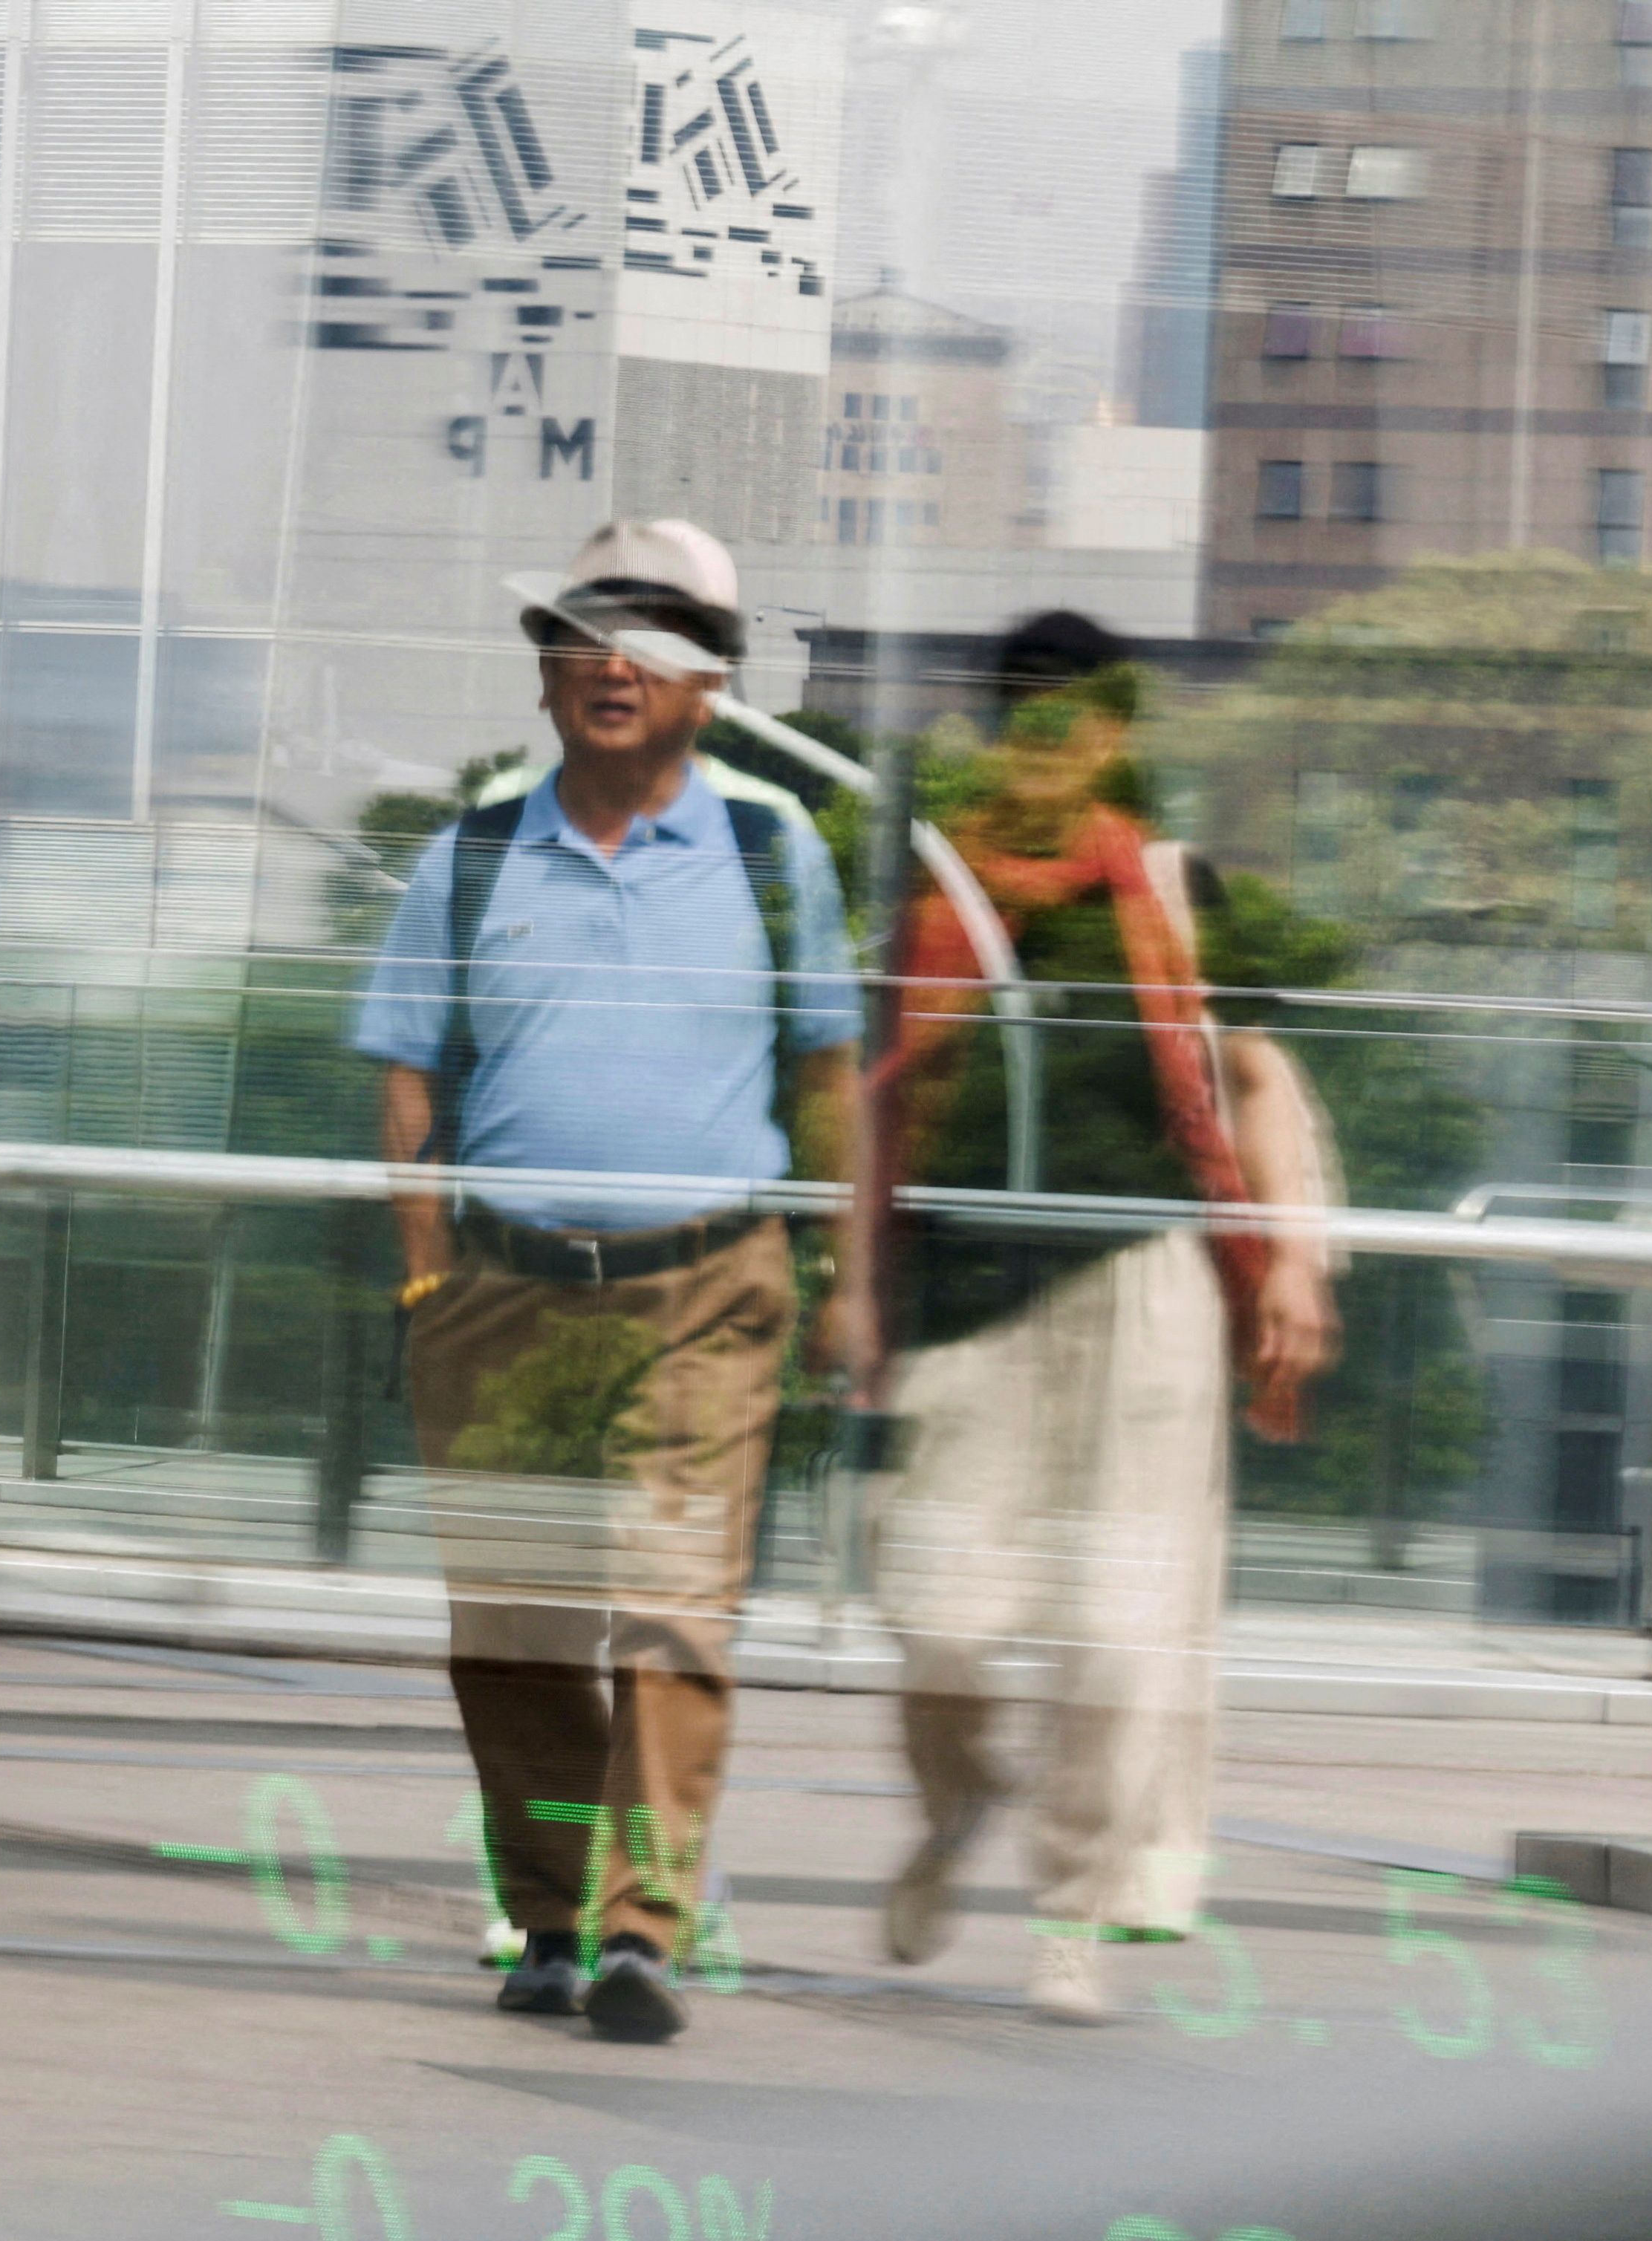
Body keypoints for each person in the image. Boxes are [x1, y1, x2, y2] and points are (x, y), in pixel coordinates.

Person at [351, 520, 862, 2044]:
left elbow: (829, 1070)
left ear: (711, 682)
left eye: (648, 639)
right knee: (508, 1628)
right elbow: (402, 1079)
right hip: (499, 1293)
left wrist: (842, 1267)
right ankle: (553, 1918)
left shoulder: (774, 848)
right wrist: (425, 1277)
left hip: (706, 1287)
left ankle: (643, 1928)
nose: (607, 664)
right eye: (580, 634)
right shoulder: (477, 850)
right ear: (543, 674)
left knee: (671, 1617)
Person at [862, 610, 1342, 2023]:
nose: (1053, 739)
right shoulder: (939, 897)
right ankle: (959, 1804)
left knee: (1118, 1627)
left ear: (1118, 735)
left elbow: (1256, 1082)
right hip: (970, 1290)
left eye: (1079, 714)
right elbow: (885, 1109)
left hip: (1142, 1288)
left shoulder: (1177, 891)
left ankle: (1070, 1910)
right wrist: (864, 1292)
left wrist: (1297, 1263)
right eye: (1027, 712)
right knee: (938, 1615)